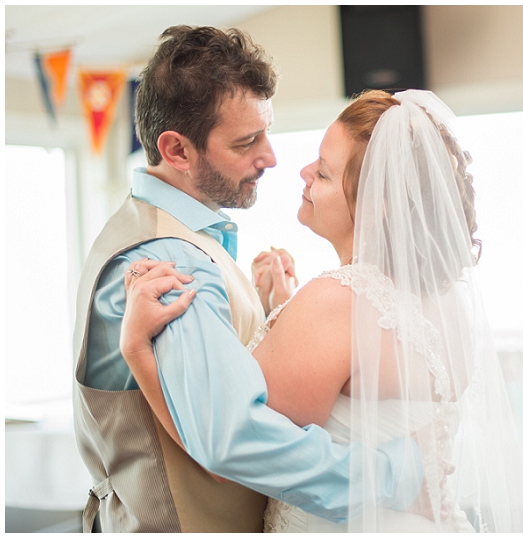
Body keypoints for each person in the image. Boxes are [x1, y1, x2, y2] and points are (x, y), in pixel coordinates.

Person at [119, 89, 523, 532]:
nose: (304, 172)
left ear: (376, 206)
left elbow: (228, 451)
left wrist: (138, 351)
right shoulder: (446, 302)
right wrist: (283, 311)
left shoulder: (332, 303)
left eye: (324, 173)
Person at [72, 26, 424, 533]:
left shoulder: (176, 233)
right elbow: (232, 440)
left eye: (265, 131)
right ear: (176, 151)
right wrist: (398, 472)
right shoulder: (171, 260)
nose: (272, 157)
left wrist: (265, 314)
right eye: (246, 141)